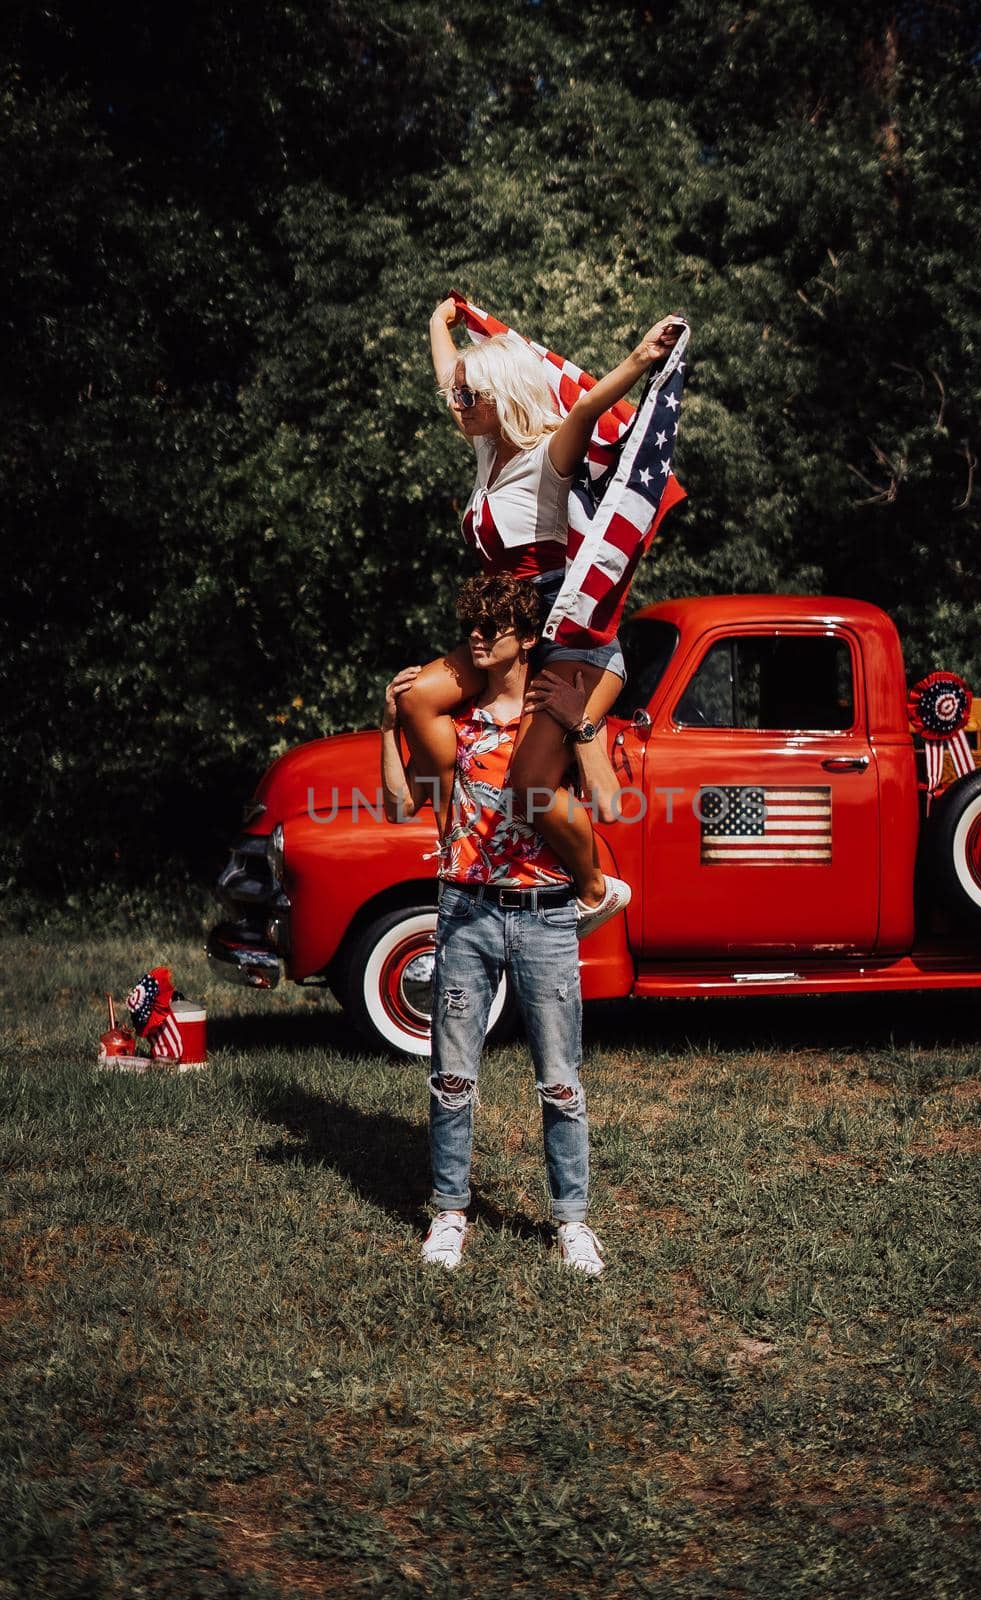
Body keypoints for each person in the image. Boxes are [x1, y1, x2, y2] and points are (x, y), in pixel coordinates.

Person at [397, 295, 683, 939]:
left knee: (529, 785)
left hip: (572, 636)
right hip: (508, 634)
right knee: (418, 700)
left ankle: (594, 888)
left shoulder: (546, 459)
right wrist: (435, 324)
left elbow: (585, 407)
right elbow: (450, 376)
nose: (456, 404)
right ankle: (454, 835)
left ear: (504, 397)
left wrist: (641, 357)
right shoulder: (486, 450)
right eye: (458, 396)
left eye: (470, 397)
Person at [380, 573, 621, 1274]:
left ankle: (572, 1222)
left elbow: (605, 804)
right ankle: (449, 1214)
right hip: (466, 909)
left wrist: (581, 726)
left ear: (526, 640)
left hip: (545, 917)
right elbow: (402, 804)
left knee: (559, 1078)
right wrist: (388, 724)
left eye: (493, 628)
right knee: (451, 1074)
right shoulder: (453, 724)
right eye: (472, 627)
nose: (476, 639)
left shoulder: (553, 720)